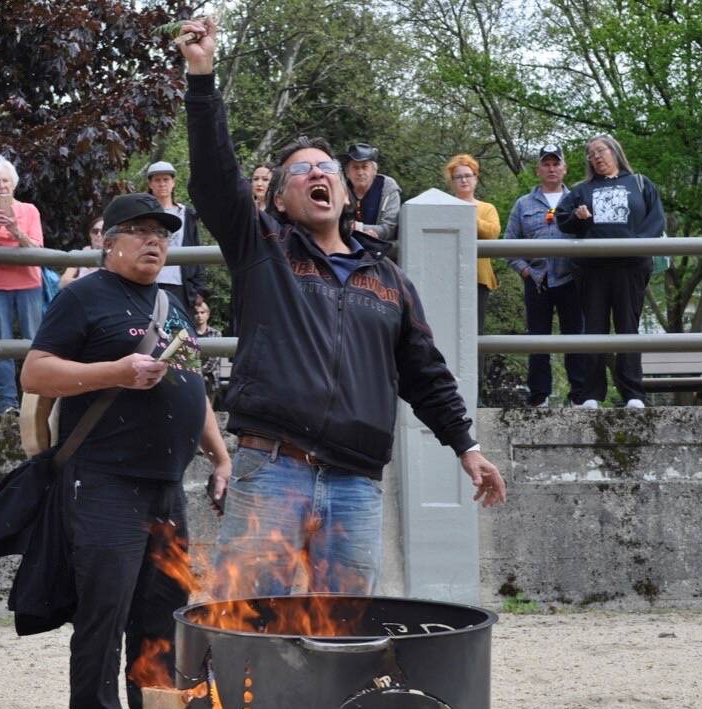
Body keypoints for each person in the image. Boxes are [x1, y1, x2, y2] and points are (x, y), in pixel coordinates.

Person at [180, 17, 506, 599]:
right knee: (247, 627)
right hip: (271, 469)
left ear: (348, 192)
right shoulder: (264, 250)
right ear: (279, 198)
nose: (317, 173)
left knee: (347, 634)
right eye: (301, 170)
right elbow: (212, 179)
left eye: (326, 167)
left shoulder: (389, 280)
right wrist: (202, 78)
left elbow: (426, 374)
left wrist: (468, 446)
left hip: (356, 481)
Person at [20, 193, 230, 709]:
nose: (152, 241)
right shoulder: (82, 297)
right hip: (105, 481)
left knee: (162, 620)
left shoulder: (172, 302)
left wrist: (219, 455)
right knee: (104, 615)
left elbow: (192, 386)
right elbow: (35, 372)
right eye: (137, 231)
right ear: (108, 241)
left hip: (167, 487)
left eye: (161, 232)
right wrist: (116, 371)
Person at [555, 135, 665, 409]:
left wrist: (637, 248)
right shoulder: (581, 190)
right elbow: (563, 222)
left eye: (600, 151)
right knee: (594, 328)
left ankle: (634, 394)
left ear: (615, 151)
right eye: (591, 155)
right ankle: (591, 393)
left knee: (628, 327)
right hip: (593, 269)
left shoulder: (640, 183)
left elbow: (656, 220)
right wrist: (577, 218)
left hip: (631, 267)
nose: (596, 157)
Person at [502, 145, 587, 407]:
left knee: (576, 337)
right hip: (537, 279)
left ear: (565, 168)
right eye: (546, 164)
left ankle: (579, 394)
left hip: (571, 278)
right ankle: (539, 395)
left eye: (556, 163)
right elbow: (508, 244)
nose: (551, 168)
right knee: (538, 338)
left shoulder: (578, 200)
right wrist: (525, 271)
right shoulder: (523, 203)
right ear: (538, 170)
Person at [0, 156, 45, 416]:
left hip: (29, 282)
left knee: (34, 342)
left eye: (5, 180)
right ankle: (7, 401)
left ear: (13, 184)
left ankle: (35, 400)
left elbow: (37, 247)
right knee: (0, 344)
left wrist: (15, 230)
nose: (1, 185)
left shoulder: (30, 210)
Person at [446, 154, 502, 342]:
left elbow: (493, 233)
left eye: (468, 175)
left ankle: (478, 373)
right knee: (448, 329)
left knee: (475, 333)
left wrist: (466, 215)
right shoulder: (442, 206)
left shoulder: (487, 208)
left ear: (476, 178)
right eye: (458, 177)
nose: (463, 180)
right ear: (452, 182)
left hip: (478, 279)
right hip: (447, 277)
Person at [145, 161, 206, 316]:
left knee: (180, 334)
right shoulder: (142, 214)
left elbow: (196, 250)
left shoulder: (187, 214)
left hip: (181, 286)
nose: (162, 184)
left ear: (173, 182)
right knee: (149, 330)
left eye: (166, 179)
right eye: (157, 180)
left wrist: (199, 288)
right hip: (148, 281)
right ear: (150, 184)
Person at [345, 143, 401, 241]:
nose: (360, 172)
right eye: (355, 167)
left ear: (374, 170)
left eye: (365, 167)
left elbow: (390, 228)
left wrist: (358, 228)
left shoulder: (387, 188)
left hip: (380, 249)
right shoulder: (340, 189)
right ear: (347, 173)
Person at [60, 215, 104, 288]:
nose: (99, 235)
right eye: (95, 231)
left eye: (103, 231)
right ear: (90, 234)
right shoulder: (81, 254)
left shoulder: (114, 255)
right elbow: (63, 282)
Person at [193, 294, 223, 402]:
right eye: (196, 313)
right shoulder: (188, 333)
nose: (199, 315)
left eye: (202, 312)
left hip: (209, 379)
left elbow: (214, 360)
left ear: (208, 315)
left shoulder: (216, 334)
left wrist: (199, 371)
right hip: (192, 378)